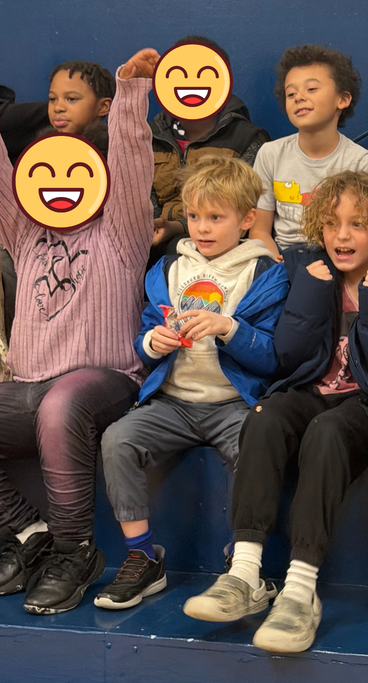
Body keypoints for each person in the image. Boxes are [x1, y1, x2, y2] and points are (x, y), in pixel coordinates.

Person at [184, 168, 368, 652]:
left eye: (358, 224)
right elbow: (289, 355)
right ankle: (245, 572)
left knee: (327, 432)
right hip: (310, 389)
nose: (342, 236)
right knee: (267, 416)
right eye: (332, 224)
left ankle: (300, 590)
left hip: (365, 403)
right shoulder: (306, 268)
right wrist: (310, 292)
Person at [0, 49, 156, 615]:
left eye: (75, 174)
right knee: (43, 402)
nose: (59, 185)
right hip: (28, 381)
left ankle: (75, 549)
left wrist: (134, 94)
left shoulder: (121, 231)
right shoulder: (24, 230)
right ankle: (25, 533)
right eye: (44, 175)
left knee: (61, 405)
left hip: (103, 379)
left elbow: (135, 163)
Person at [95, 156, 289, 609]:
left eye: (216, 217)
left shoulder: (265, 273)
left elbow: (274, 356)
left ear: (245, 220)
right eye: (195, 216)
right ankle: (143, 558)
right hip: (173, 402)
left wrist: (229, 328)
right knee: (117, 439)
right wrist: (153, 343)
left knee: (253, 446)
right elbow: (142, 341)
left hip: (233, 404)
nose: (202, 227)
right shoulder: (167, 270)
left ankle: (240, 565)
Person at [1, 61, 115, 342]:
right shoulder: (38, 149)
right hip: (38, 241)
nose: (59, 107)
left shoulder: (112, 150)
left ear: (103, 107)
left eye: (71, 99)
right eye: (53, 99)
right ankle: (20, 342)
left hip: (93, 243)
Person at [249, 44, 368, 259]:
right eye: (291, 93)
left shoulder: (360, 162)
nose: (299, 97)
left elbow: (361, 234)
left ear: (342, 99)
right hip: (280, 256)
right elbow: (259, 230)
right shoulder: (270, 153)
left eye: (311, 89)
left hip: (331, 256)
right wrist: (274, 264)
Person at [150, 36, 270, 259]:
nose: (190, 83)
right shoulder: (149, 136)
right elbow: (143, 199)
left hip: (217, 246)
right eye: (179, 74)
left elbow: (241, 209)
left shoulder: (246, 138)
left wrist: (178, 227)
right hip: (151, 243)